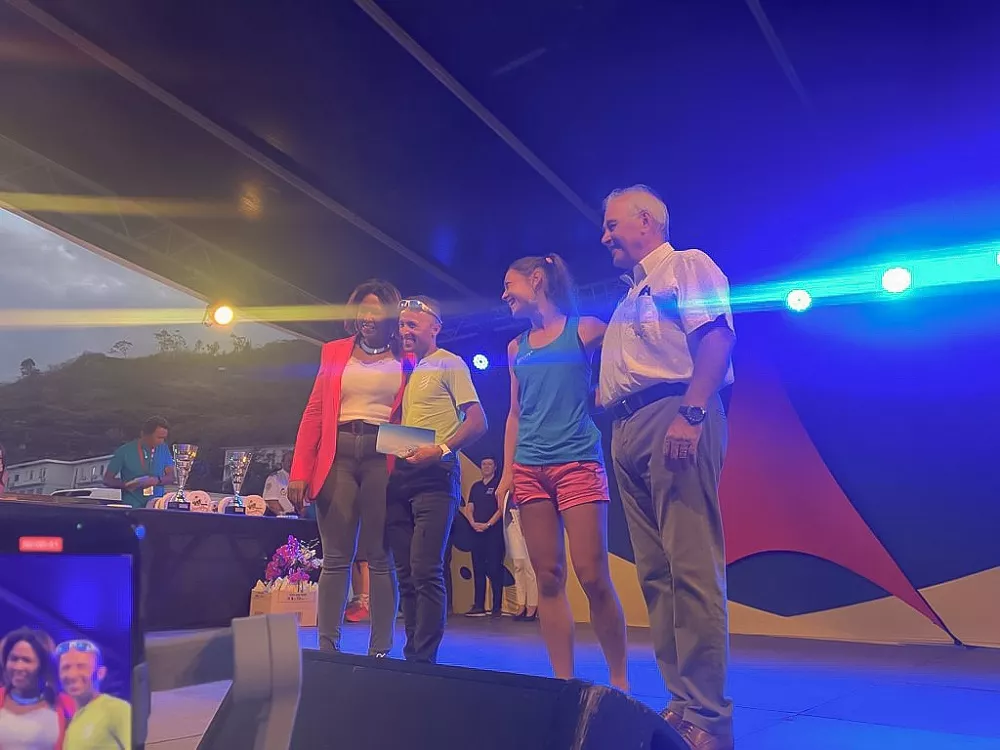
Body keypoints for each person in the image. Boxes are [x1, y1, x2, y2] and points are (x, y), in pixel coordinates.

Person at [599, 185, 736, 750]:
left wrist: (692, 410)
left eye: (612, 225)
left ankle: (710, 716)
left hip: (673, 412)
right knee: (656, 574)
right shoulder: (629, 296)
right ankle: (681, 702)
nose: (604, 236)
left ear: (646, 222)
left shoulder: (685, 264)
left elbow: (717, 336)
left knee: (691, 566)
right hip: (626, 426)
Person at [495, 254, 629, 691]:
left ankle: (619, 680)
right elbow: (515, 414)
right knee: (548, 577)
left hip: (577, 462)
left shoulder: (585, 329)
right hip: (529, 467)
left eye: (509, 284)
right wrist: (507, 473)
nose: (504, 294)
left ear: (537, 279)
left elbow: (629, 355)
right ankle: (563, 681)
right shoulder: (516, 348)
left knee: (592, 575)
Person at [288, 280, 404, 657]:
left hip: (385, 450)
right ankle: (328, 648)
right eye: (362, 309)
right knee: (337, 556)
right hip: (338, 450)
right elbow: (314, 411)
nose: (367, 316)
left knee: (381, 556)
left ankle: (381, 651)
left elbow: (416, 410)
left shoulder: (408, 354)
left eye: (376, 310)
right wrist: (299, 470)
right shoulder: (334, 351)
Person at [387, 296, 488, 663]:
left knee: (425, 569)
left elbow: (478, 422)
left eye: (412, 324)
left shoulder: (450, 363)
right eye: (401, 325)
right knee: (405, 573)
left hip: (436, 475)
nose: (404, 331)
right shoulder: (404, 369)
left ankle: (424, 660)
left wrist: (442, 449)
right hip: (399, 476)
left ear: (435, 328)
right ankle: (411, 654)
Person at [0, 628, 74, 750]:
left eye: (26, 660)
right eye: (13, 659)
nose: (18, 667)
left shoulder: (67, 706)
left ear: (43, 666)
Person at [57, 640, 130, 750]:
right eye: (66, 667)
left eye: (81, 667)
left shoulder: (116, 709)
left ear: (100, 673)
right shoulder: (72, 723)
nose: (72, 675)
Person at [462, 457, 505, 618]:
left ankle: (496, 607)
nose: (486, 467)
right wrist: (473, 523)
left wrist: (488, 524)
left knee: (494, 568)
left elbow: (501, 509)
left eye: (489, 464)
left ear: (495, 467)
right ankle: (478, 605)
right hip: (476, 532)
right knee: (478, 568)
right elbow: (469, 508)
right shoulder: (476, 486)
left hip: (493, 533)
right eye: (484, 464)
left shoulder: (499, 485)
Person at [102, 416, 175, 509]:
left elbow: (171, 477)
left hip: (156, 505)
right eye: (159, 437)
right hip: (132, 506)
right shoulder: (124, 451)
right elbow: (107, 480)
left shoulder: (164, 449)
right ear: (145, 435)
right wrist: (127, 484)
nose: (161, 441)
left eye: (164, 438)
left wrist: (157, 480)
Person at [501, 485, 538, 621]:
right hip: (511, 519)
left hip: (527, 519)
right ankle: (521, 604)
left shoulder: (526, 481)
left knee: (529, 566)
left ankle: (532, 605)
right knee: (518, 565)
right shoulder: (506, 485)